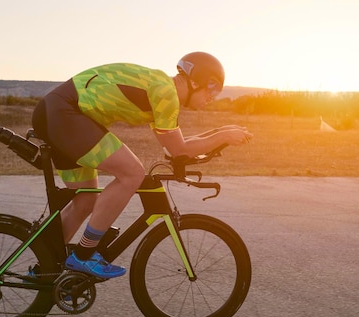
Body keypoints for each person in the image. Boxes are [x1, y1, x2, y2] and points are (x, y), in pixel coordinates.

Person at [31, 51, 252, 279]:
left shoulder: (161, 88)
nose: (213, 97)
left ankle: (44, 270)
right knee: (132, 173)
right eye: (212, 88)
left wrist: (222, 133)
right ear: (195, 81)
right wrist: (223, 137)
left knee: (85, 200)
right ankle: (83, 255)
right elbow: (179, 150)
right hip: (66, 113)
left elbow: (175, 147)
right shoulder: (166, 92)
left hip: (56, 112)